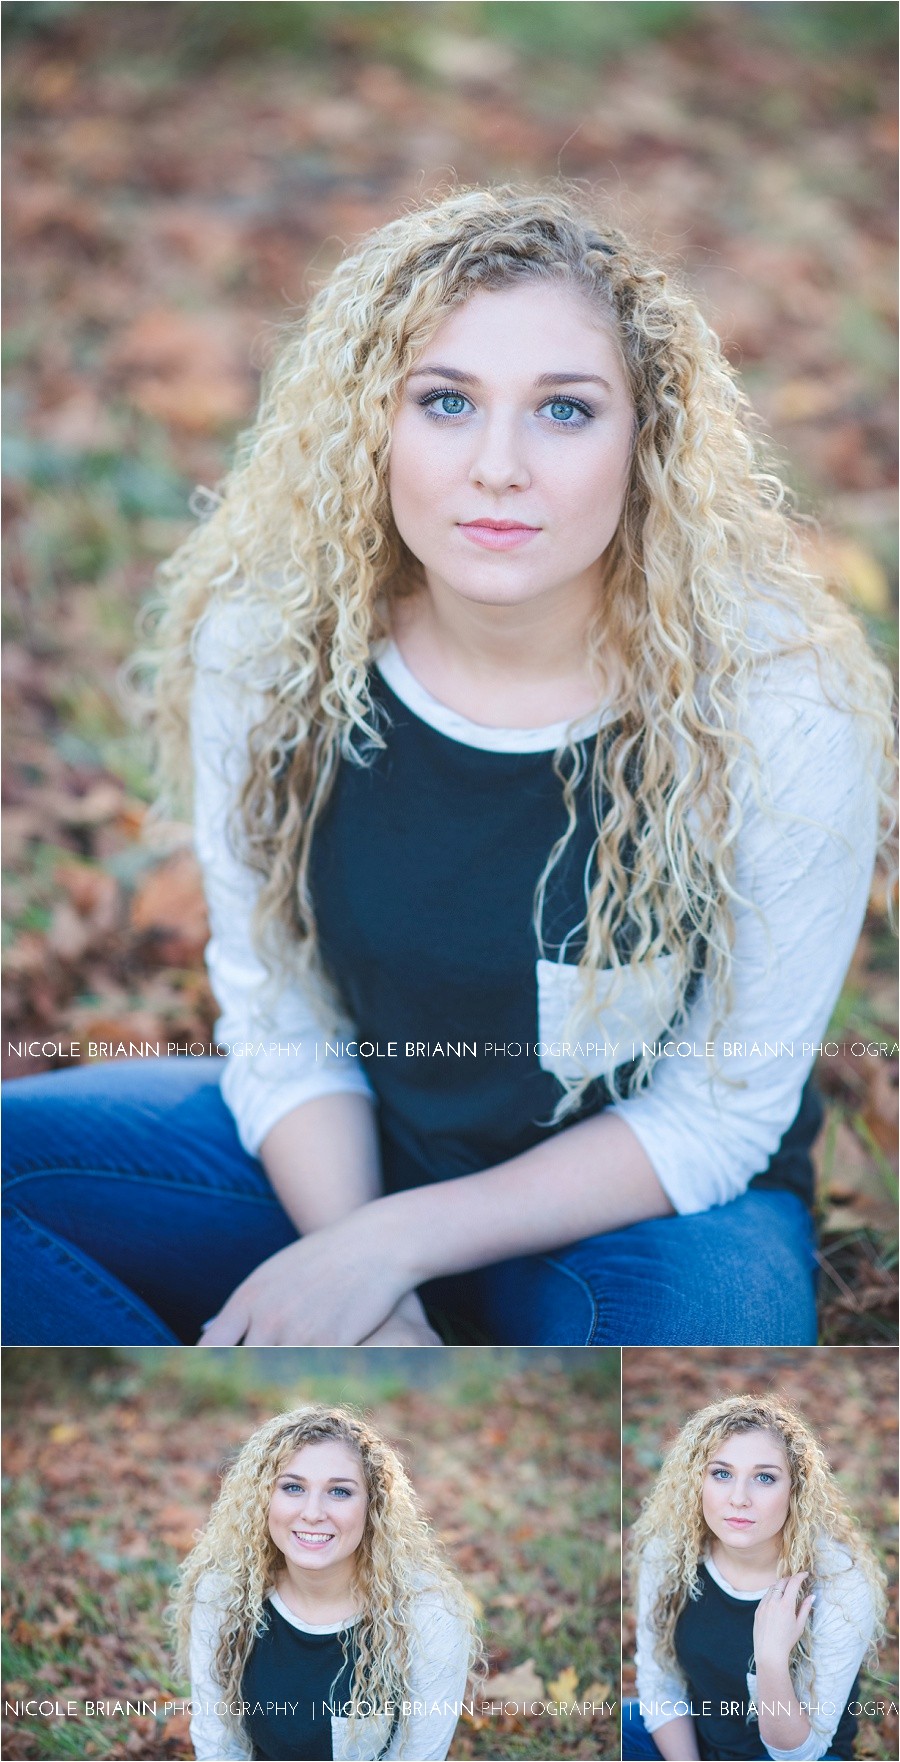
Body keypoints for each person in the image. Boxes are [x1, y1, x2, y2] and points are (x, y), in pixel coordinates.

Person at [3, 184, 895, 1347]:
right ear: (373, 422)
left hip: (645, 1206)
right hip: (348, 1154)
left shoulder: (775, 702)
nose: (498, 466)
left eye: (565, 410)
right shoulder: (273, 648)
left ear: (648, 439)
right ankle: (250, 1427)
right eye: (445, 401)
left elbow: (722, 1109)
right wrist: (362, 1280)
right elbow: (281, 1020)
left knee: (696, 1374)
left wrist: (386, 1252)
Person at [171, 1403, 480, 1761]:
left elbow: (417, 1755)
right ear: (263, 1498)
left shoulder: (427, 1613)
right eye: (292, 1487)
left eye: (340, 1492)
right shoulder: (223, 1594)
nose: (313, 1513)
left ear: (372, 1506)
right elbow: (218, 1745)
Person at [623, 1394, 887, 1761]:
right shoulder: (669, 1552)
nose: (739, 1498)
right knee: (625, 1723)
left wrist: (771, 1658)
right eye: (721, 1473)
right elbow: (660, 1686)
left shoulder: (839, 1583)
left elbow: (801, 1752)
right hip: (697, 1743)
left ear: (795, 1489)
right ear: (697, 1481)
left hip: (795, 1756)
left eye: (764, 1478)